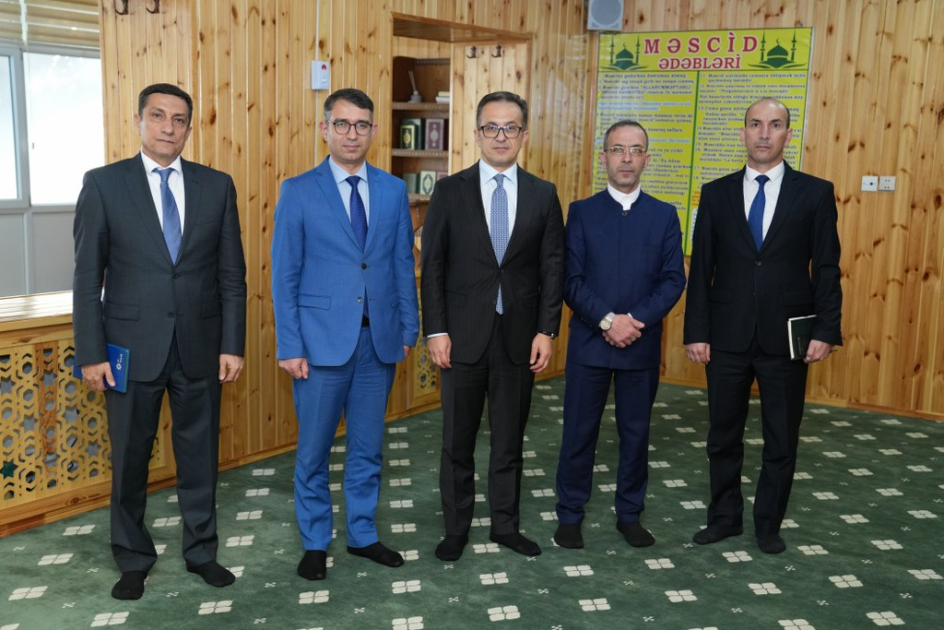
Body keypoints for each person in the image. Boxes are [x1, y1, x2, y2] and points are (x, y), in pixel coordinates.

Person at [73, 83, 247, 600]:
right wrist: (91, 354)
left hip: (200, 345)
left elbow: (231, 275)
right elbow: (87, 278)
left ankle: (202, 552)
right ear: (139, 121)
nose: (168, 127)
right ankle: (132, 558)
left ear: (189, 127)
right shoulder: (104, 184)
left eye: (178, 119)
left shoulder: (217, 186)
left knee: (200, 457)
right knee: (129, 459)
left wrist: (232, 343)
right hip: (128, 348)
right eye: (158, 116)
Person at [271, 88, 419, 581]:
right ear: (324, 129)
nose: (351, 134)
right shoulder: (298, 191)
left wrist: (408, 327)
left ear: (373, 130)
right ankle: (315, 541)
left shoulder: (392, 190)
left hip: (378, 342)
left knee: (368, 448)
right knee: (313, 451)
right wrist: (290, 345)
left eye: (360, 125)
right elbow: (284, 276)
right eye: (341, 124)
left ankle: (362, 534)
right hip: (318, 346)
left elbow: (401, 263)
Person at [683, 97, 842, 554]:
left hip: (788, 338)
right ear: (743, 133)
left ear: (789, 134)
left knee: (781, 438)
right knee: (722, 436)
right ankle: (724, 517)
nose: (764, 133)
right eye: (755, 124)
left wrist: (826, 330)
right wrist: (696, 331)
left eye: (774, 125)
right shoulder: (715, 193)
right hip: (726, 336)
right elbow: (702, 267)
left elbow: (826, 268)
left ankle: (768, 524)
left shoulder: (815, 192)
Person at [421, 91, 565, 561]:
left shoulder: (543, 193)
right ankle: (456, 529)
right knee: (456, 441)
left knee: (509, 442)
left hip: (519, 339)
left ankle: (506, 526)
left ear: (524, 135)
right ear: (477, 133)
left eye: (510, 128)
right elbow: (433, 265)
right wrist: (435, 330)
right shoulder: (450, 191)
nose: (501, 136)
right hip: (460, 337)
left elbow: (553, 268)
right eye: (491, 127)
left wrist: (547, 330)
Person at [553, 121, 686, 550]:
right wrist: (609, 321)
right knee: (579, 433)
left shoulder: (664, 215)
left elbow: (673, 279)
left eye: (635, 150)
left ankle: (629, 514)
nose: (626, 158)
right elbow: (570, 280)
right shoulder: (581, 212)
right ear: (604, 157)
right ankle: (570, 514)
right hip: (589, 343)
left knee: (636, 434)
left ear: (647, 159)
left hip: (640, 345)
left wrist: (634, 321)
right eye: (617, 149)